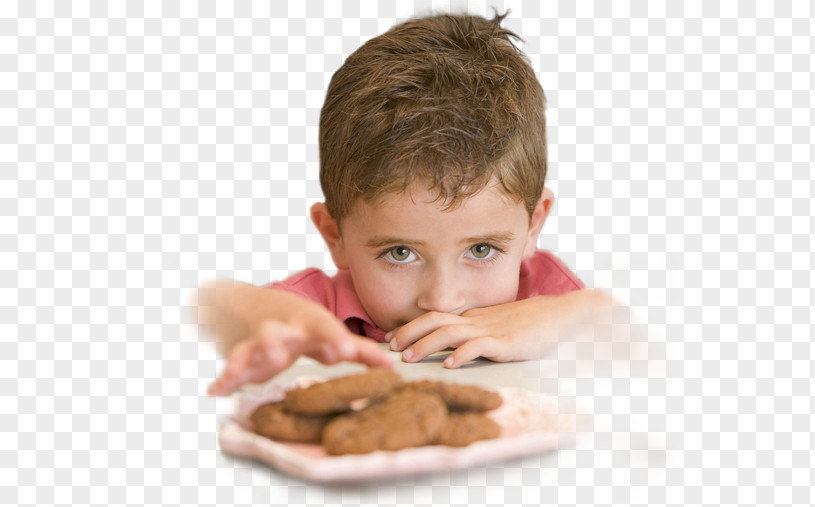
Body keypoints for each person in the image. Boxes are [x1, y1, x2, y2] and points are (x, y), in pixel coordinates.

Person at [197, 12, 619, 397]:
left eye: (481, 249)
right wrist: (264, 318)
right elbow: (218, 307)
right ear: (334, 234)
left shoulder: (545, 299)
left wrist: (575, 314)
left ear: (533, 225)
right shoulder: (319, 314)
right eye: (400, 253)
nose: (443, 300)